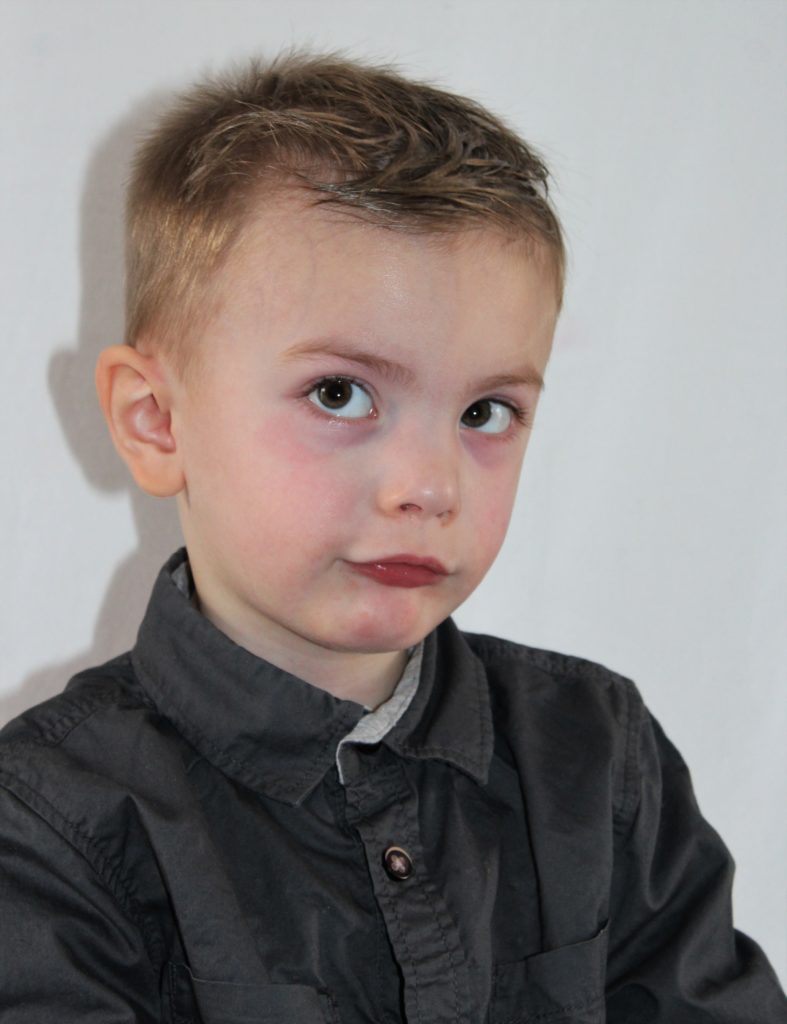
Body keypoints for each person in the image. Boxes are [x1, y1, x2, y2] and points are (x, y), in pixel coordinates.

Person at [0, 52, 783, 1024]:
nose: (429, 486)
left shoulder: (598, 753)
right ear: (155, 420)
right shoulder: (43, 825)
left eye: (486, 412)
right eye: (340, 394)